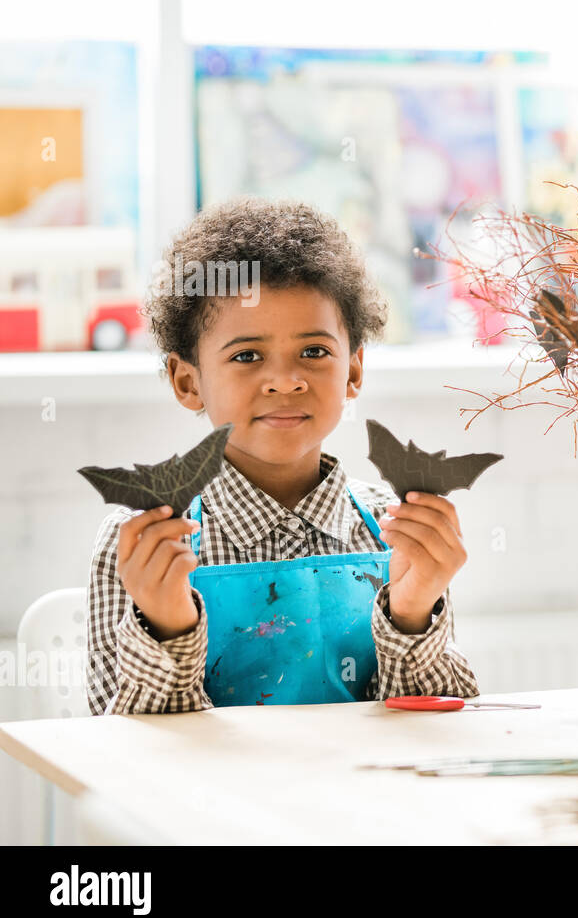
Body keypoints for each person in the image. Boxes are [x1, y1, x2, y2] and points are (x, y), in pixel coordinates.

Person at [85, 198, 479, 713]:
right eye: (247, 356)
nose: (287, 380)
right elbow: (121, 758)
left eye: (314, 352)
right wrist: (167, 627)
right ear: (188, 381)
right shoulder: (140, 544)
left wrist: (410, 611)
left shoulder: (398, 528)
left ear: (354, 371)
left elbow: (439, 731)